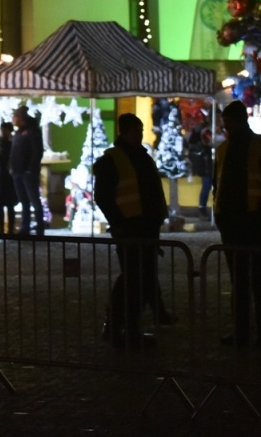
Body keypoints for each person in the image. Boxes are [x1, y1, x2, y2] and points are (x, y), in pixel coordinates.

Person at [93, 113, 168, 348]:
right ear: (124, 132)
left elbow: (152, 192)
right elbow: (103, 197)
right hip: (129, 228)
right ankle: (118, 326)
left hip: (146, 228)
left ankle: (129, 328)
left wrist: (157, 220)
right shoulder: (112, 160)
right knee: (132, 280)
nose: (140, 135)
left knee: (141, 279)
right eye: (136, 131)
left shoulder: (143, 157)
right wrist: (118, 223)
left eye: (141, 131)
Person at [213, 100, 261, 346]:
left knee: (255, 279)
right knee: (240, 279)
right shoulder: (224, 149)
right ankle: (244, 330)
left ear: (239, 121)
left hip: (252, 221)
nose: (225, 128)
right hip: (234, 222)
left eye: (227, 123)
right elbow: (217, 184)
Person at [10, 105, 45, 236]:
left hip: (27, 172)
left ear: (21, 118)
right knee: (24, 201)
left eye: (15, 116)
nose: (13, 119)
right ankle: (25, 227)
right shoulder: (18, 133)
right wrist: (12, 168)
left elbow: (37, 151)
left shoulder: (32, 131)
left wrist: (30, 169)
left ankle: (39, 227)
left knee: (34, 199)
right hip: (18, 171)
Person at [0, 121, 18, 235]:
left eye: (6, 130)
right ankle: (1, 228)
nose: (3, 133)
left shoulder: (12, 144)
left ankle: (10, 228)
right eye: (2, 130)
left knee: (10, 205)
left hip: (8, 178)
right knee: (0, 204)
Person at [186, 121, 214, 211]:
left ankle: (202, 207)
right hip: (207, 165)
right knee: (207, 186)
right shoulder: (205, 132)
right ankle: (202, 207)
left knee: (206, 186)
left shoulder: (196, 133)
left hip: (206, 166)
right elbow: (210, 142)